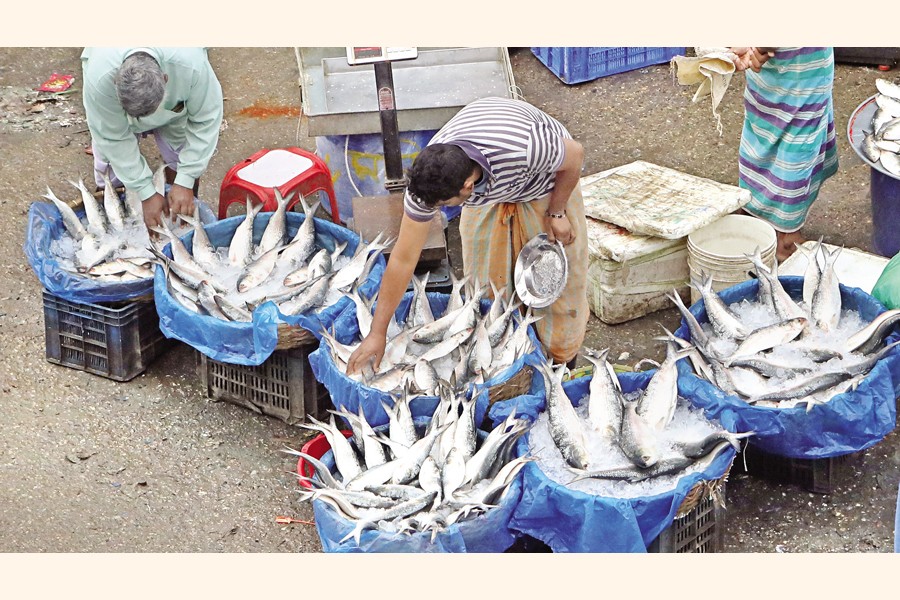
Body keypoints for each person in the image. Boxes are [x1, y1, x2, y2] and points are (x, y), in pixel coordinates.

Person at [346, 96, 589, 374]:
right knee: (486, 292)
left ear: (467, 186)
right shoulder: (427, 183)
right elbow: (403, 258)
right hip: (489, 193)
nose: (436, 211)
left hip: (545, 182)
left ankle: (563, 366)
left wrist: (556, 212)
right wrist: (377, 332)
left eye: (445, 205)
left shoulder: (526, 147)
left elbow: (575, 155)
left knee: (557, 288)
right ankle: (506, 364)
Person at [81, 48, 224, 231]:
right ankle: (112, 224)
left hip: (175, 108)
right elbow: (112, 137)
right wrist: (146, 193)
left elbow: (206, 119)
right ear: (115, 82)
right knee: (109, 170)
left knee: (181, 158)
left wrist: (185, 180)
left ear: (165, 79)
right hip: (113, 111)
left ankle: (182, 214)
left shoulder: (191, 67)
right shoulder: (100, 79)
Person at [729, 47, 838, 262]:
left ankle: (784, 234)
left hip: (800, 71)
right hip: (773, 72)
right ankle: (765, 223)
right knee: (765, 134)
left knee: (791, 146)